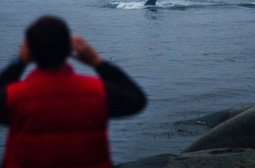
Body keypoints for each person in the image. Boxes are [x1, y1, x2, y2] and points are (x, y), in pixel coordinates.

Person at [0, 15, 147, 167]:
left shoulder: (14, 96)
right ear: (68, 49)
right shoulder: (96, 92)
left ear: (28, 50)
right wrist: (97, 61)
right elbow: (137, 100)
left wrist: (19, 62)